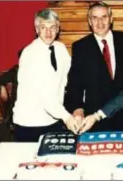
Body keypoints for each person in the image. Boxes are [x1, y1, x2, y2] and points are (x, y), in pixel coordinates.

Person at [64, 2, 123, 132]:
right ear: (89, 21)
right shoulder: (80, 47)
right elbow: (75, 83)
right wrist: (77, 109)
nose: (100, 22)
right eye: (95, 18)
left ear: (111, 19)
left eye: (104, 17)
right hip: (94, 119)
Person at [12, 8, 79, 142]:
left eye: (52, 27)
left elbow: (72, 77)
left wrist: (78, 107)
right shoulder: (29, 54)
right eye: (43, 27)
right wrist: (67, 117)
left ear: (58, 29)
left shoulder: (60, 48)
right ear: (37, 29)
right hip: (30, 123)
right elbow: (44, 95)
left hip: (54, 119)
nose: (48, 32)